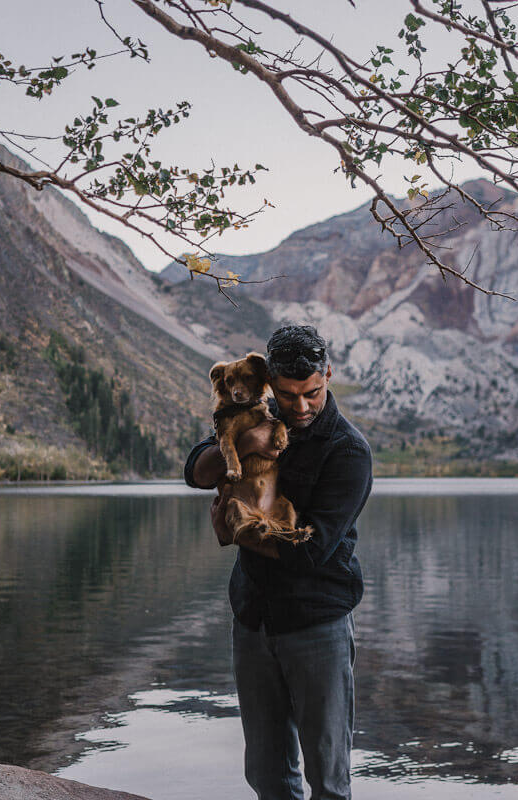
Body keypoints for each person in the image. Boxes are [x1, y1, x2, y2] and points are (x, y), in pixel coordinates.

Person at [184, 324, 373, 800]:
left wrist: (238, 532)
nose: (302, 406)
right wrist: (245, 446)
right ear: (271, 384)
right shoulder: (251, 418)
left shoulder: (348, 451)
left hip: (317, 625)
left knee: (329, 781)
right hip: (253, 619)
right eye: (288, 396)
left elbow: (308, 551)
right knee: (268, 777)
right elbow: (195, 472)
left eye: (312, 392)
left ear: (327, 374)